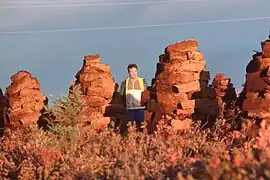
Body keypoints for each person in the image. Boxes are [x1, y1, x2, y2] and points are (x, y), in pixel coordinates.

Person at [119, 64, 148, 131]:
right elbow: (121, 94)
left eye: (135, 71)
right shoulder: (125, 82)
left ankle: (142, 140)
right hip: (129, 109)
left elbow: (146, 93)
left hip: (140, 108)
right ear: (128, 72)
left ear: (137, 71)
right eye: (131, 71)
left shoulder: (142, 81)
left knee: (142, 127)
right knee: (130, 127)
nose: (133, 73)